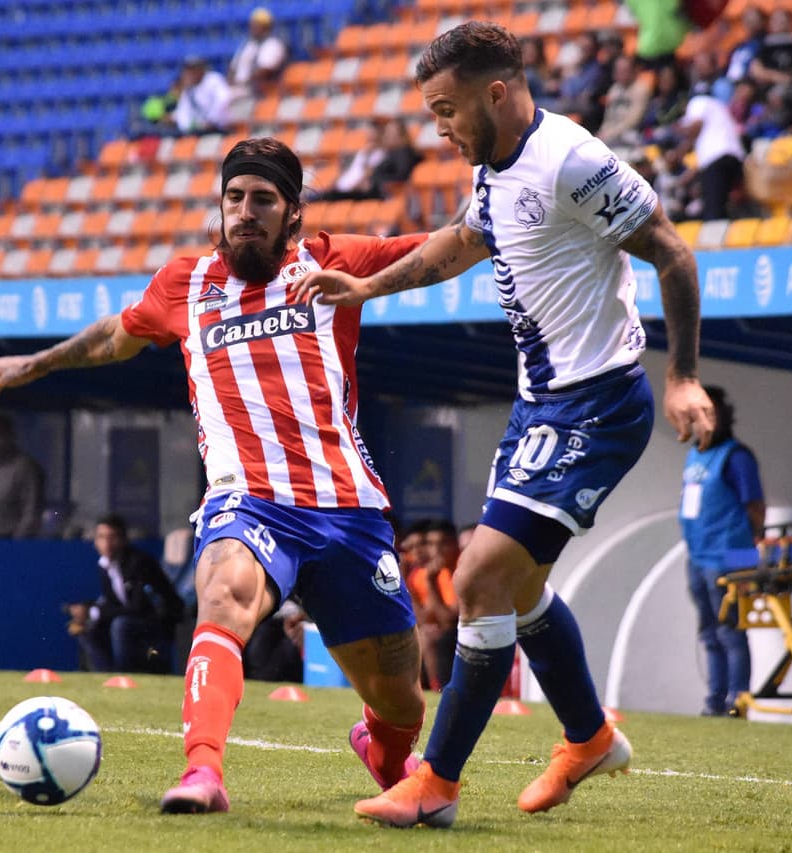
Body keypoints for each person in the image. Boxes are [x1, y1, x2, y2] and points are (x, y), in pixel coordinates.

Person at [293, 21, 715, 828]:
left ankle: (436, 782)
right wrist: (367, 288)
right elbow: (462, 241)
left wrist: (683, 376)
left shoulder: (572, 161)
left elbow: (673, 252)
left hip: (598, 403)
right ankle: (589, 736)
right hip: (538, 407)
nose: (440, 130)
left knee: (479, 576)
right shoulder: (494, 167)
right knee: (516, 594)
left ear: (495, 93)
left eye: (446, 110)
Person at [0, 137, 430, 815]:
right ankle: (203, 772)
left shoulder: (332, 261)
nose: (245, 211)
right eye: (234, 197)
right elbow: (116, 336)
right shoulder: (184, 283)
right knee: (222, 597)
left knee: (400, 696)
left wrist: (506, 213)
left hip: (346, 506)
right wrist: (37, 363)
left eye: (263, 199)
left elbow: (434, 252)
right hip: (248, 498)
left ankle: (387, 754)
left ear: (293, 212)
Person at [679, 386, 765, 717]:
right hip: (697, 555)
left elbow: (755, 507)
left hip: (730, 555)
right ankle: (714, 701)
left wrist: (748, 556)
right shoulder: (694, 455)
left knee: (732, 630)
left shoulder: (737, 456)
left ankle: (736, 701)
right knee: (709, 632)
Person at [68, 513, 185, 673]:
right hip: (130, 618)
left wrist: (95, 611)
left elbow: (138, 607)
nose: (107, 543)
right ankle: (106, 676)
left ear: (123, 539)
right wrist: (89, 611)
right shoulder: (103, 566)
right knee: (87, 628)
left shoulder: (138, 563)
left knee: (121, 625)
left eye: (112, 537)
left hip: (157, 621)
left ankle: (124, 674)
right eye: (101, 537)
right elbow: (113, 602)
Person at [676, 84, 745, 221]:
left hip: (715, 158)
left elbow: (696, 125)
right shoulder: (719, 105)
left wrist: (681, 149)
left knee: (714, 210)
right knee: (731, 205)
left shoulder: (697, 101)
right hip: (735, 157)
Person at [408, 518, 459, 690]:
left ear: (454, 544)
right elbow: (423, 618)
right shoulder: (424, 573)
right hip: (441, 631)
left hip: (469, 630)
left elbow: (449, 620)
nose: (436, 550)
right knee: (418, 634)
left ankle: (437, 688)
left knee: (430, 636)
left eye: (443, 543)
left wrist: (431, 582)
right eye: (430, 544)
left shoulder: (462, 569)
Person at [169, 57, 234, 137]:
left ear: (201, 70)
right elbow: (183, 112)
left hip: (220, 128)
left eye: (192, 70)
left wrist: (211, 120)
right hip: (199, 131)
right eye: (187, 71)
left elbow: (224, 99)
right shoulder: (189, 89)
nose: (189, 74)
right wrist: (186, 128)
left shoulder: (213, 79)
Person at [228, 7, 287, 95]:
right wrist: (231, 82)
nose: (253, 27)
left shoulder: (273, 44)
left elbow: (265, 71)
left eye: (257, 25)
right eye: (253, 24)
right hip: (237, 87)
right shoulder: (248, 44)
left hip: (256, 89)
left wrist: (244, 82)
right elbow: (233, 67)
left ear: (266, 27)